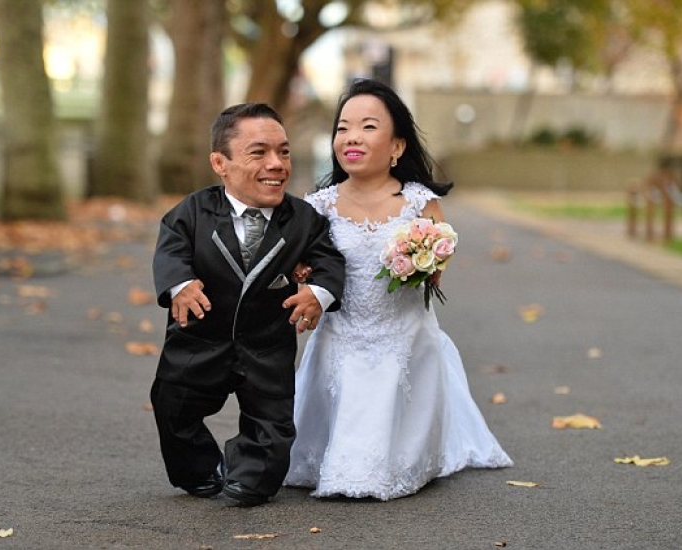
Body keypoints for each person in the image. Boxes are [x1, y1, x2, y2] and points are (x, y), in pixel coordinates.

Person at [284, 79, 512, 501]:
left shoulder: (419, 202)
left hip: (403, 340)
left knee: (391, 419)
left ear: (397, 147)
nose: (352, 136)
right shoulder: (318, 206)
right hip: (343, 336)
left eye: (368, 127)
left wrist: (430, 265)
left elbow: (440, 251)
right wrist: (303, 276)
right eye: (343, 128)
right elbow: (304, 263)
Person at [150, 103, 345, 507]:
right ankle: (200, 470)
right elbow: (171, 250)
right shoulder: (194, 211)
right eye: (259, 153)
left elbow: (328, 259)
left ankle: (251, 478)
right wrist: (180, 285)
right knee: (172, 406)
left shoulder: (303, 220)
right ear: (220, 163)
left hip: (266, 343)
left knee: (271, 422)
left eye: (284, 152)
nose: (276, 164)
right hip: (199, 339)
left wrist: (318, 292)